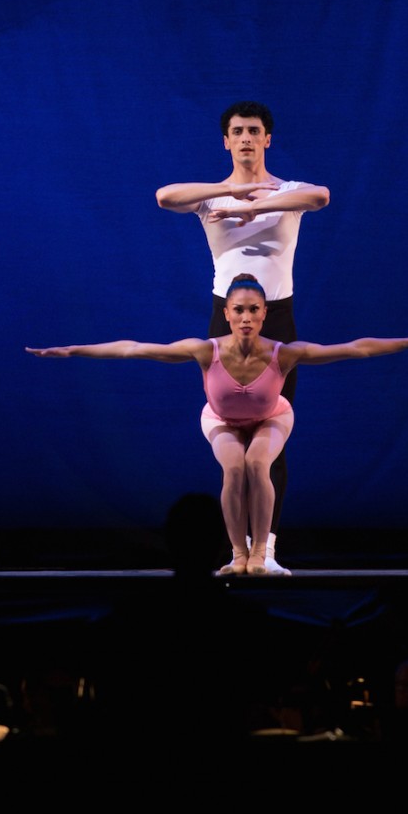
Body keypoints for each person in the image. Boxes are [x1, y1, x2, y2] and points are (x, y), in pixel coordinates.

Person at [26, 273, 408, 578]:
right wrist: (73, 350)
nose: (247, 317)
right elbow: (134, 350)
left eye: (255, 310)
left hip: (272, 415)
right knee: (234, 468)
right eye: (239, 310)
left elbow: (355, 349)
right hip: (221, 419)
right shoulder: (204, 350)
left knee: (259, 466)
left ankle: (261, 552)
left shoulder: (282, 353)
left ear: (264, 313)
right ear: (229, 314)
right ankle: (236, 555)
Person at [155, 101, 330, 575]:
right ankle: (236, 552)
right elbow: (164, 197)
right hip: (224, 318)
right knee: (233, 438)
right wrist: (233, 192)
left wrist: (263, 200)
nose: (247, 138)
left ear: (268, 138)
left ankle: (266, 550)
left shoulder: (290, 191)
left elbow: (321, 198)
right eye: (238, 131)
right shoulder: (212, 199)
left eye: (255, 130)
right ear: (226, 141)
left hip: (277, 318)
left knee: (272, 438)